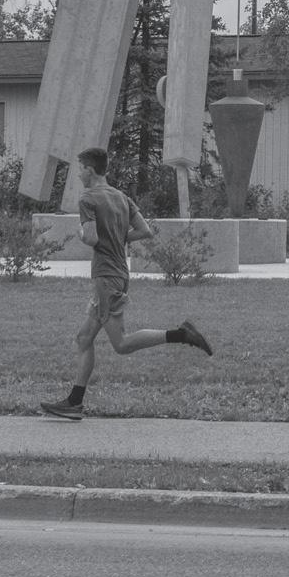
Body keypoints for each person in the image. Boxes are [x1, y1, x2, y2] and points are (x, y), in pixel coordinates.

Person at [40, 147, 213, 421]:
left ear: (90, 169)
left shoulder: (88, 199)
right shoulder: (122, 197)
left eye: (81, 169)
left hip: (106, 277)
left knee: (121, 343)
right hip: (119, 273)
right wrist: (119, 237)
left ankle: (181, 334)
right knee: (84, 338)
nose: (79, 175)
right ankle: (73, 402)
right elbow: (145, 231)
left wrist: (81, 233)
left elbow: (92, 239)